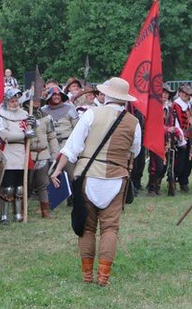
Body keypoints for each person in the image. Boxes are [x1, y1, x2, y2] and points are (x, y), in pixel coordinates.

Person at [50, 77, 141, 287]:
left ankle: (87, 276)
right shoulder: (133, 123)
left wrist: (58, 170)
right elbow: (134, 151)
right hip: (117, 179)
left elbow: (72, 147)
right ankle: (103, 276)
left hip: (89, 176)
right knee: (110, 229)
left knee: (87, 228)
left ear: (106, 95)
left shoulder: (91, 113)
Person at [0, 87, 36, 223]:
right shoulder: (0, 115)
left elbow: (31, 130)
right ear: (7, 101)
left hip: (22, 153)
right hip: (8, 152)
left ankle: (18, 214)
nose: (15, 103)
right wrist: (24, 135)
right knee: (7, 187)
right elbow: (4, 135)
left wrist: (33, 124)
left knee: (19, 187)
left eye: (16, 100)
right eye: (12, 101)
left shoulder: (25, 114)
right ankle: (4, 215)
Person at [25, 90, 59, 217]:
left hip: (43, 153)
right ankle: (23, 210)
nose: (36, 103)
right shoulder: (23, 116)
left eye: (38, 100)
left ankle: (45, 210)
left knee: (43, 182)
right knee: (27, 183)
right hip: (29, 154)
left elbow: (52, 137)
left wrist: (55, 154)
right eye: (33, 100)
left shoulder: (46, 117)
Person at [171, 84, 192, 193]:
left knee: (188, 161)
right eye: (184, 93)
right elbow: (176, 123)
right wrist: (181, 138)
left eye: (188, 94)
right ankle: (174, 181)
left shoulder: (190, 106)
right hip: (180, 137)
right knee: (179, 162)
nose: (185, 95)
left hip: (190, 136)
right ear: (180, 93)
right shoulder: (176, 105)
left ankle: (184, 182)